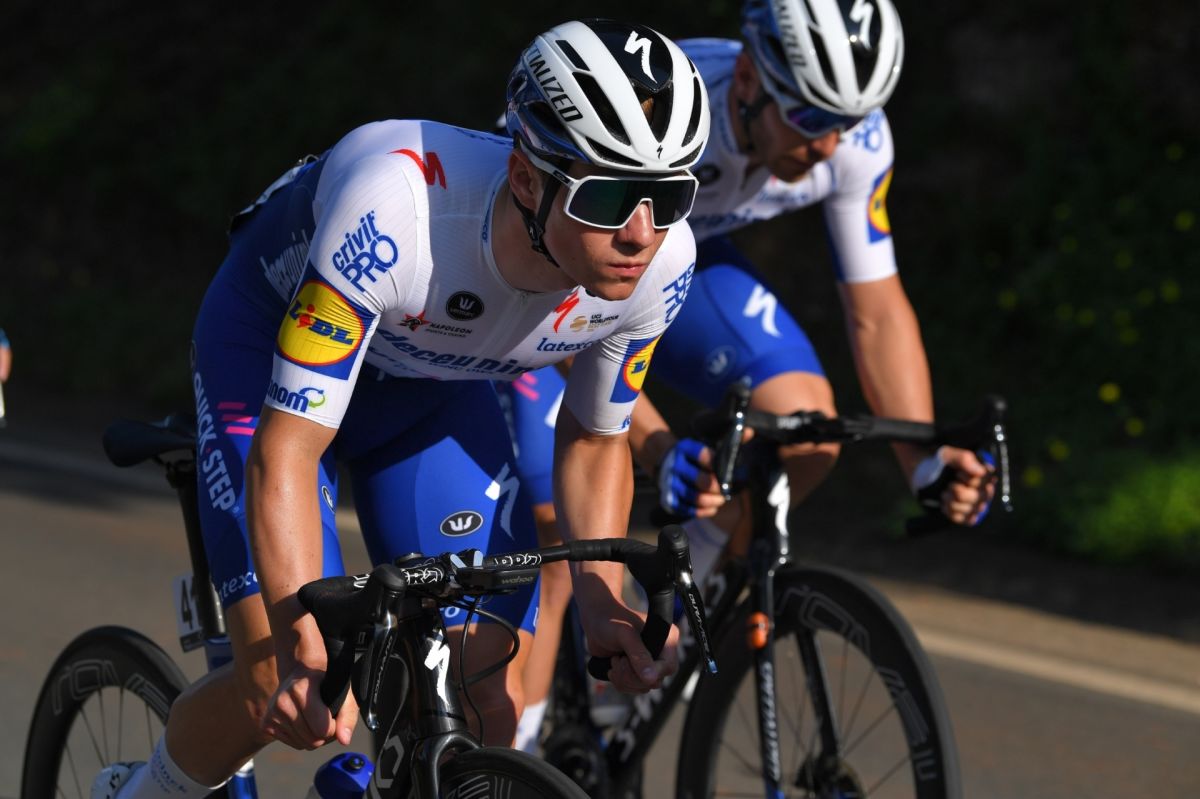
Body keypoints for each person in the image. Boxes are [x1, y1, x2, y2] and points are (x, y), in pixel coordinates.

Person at [92, 19, 710, 799]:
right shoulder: (396, 210)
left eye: (669, 195)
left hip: (426, 390)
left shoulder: (664, 265)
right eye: (611, 196)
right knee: (280, 680)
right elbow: (288, 451)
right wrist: (298, 637)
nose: (641, 232)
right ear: (527, 180)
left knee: (486, 691)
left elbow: (593, 436)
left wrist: (598, 593)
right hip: (267, 356)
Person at [502, 0, 996, 750]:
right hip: (560, 261)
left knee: (804, 435)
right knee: (553, 530)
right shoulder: (672, 108)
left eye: (847, 122)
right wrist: (655, 442)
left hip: (685, 261)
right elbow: (555, 301)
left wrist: (921, 453)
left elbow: (877, 310)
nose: (828, 146)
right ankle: (514, 760)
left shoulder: (853, 140)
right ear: (748, 81)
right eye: (809, 118)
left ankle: (661, 612)